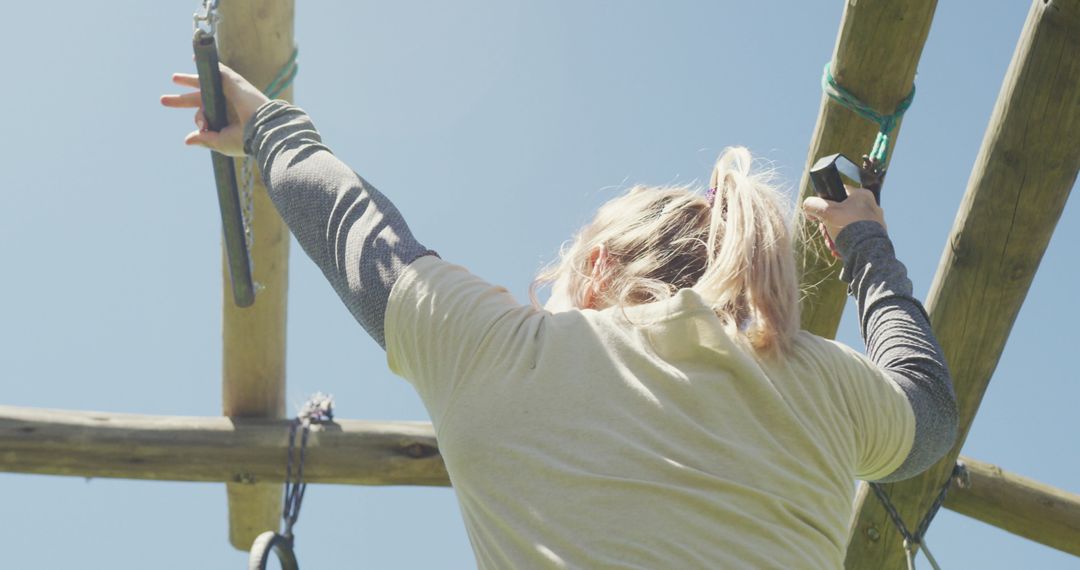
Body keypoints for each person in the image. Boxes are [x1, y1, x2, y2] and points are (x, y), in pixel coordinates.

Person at [162, 65, 958, 569]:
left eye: (560, 273)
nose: (545, 291)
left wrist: (266, 123)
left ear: (602, 268)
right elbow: (927, 409)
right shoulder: (819, 384)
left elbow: (358, 235)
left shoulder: (508, 356)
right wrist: (864, 244)